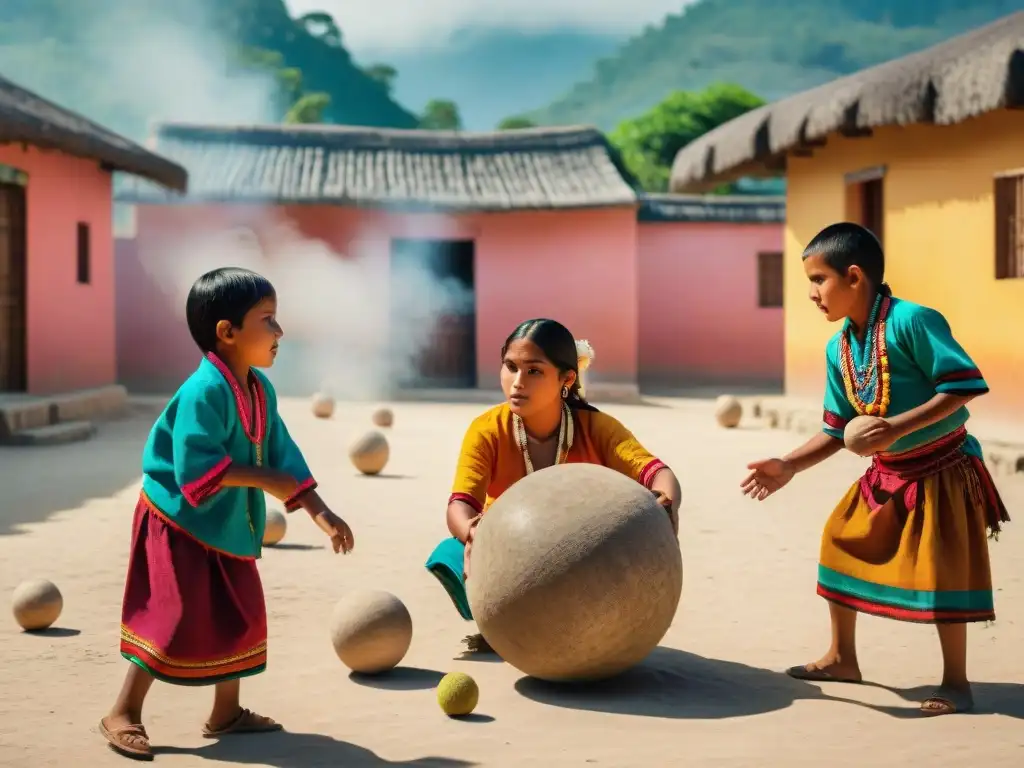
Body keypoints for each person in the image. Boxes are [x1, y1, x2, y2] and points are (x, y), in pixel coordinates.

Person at [741, 223, 1009, 717]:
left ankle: (956, 682)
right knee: (838, 538)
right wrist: (789, 465)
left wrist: (893, 428)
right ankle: (843, 657)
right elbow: (837, 427)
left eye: (819, 280)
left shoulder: (914, 321)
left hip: (944, 466)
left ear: (855, 277)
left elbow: (965, 385)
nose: (812, 294)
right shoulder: (837, 348)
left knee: (943, 572)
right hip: (887, 472)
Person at [99, 267, 355, 760]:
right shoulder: (203, 392)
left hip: (228, 520)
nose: (280, 332)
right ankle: (124, 711)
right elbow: (194, 470)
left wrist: (319, 510)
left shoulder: (260, 389)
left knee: (240, 612)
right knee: (170, 617)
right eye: (268, 320)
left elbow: (281, 450)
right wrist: (266, 481)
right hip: (178, 521)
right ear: (227, 332)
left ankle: (226, 712)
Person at [425, 318, 682, 652]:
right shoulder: (487, 430)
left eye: (534, 371)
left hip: (582, 554)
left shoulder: (596, 427)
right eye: (510, 367)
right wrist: (474, 533)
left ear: (566, 379)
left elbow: (657, 473)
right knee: (449, 552)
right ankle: (507, 622)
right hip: (506, 549)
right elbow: (460, 505)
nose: (517, 382)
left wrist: (666, 502)